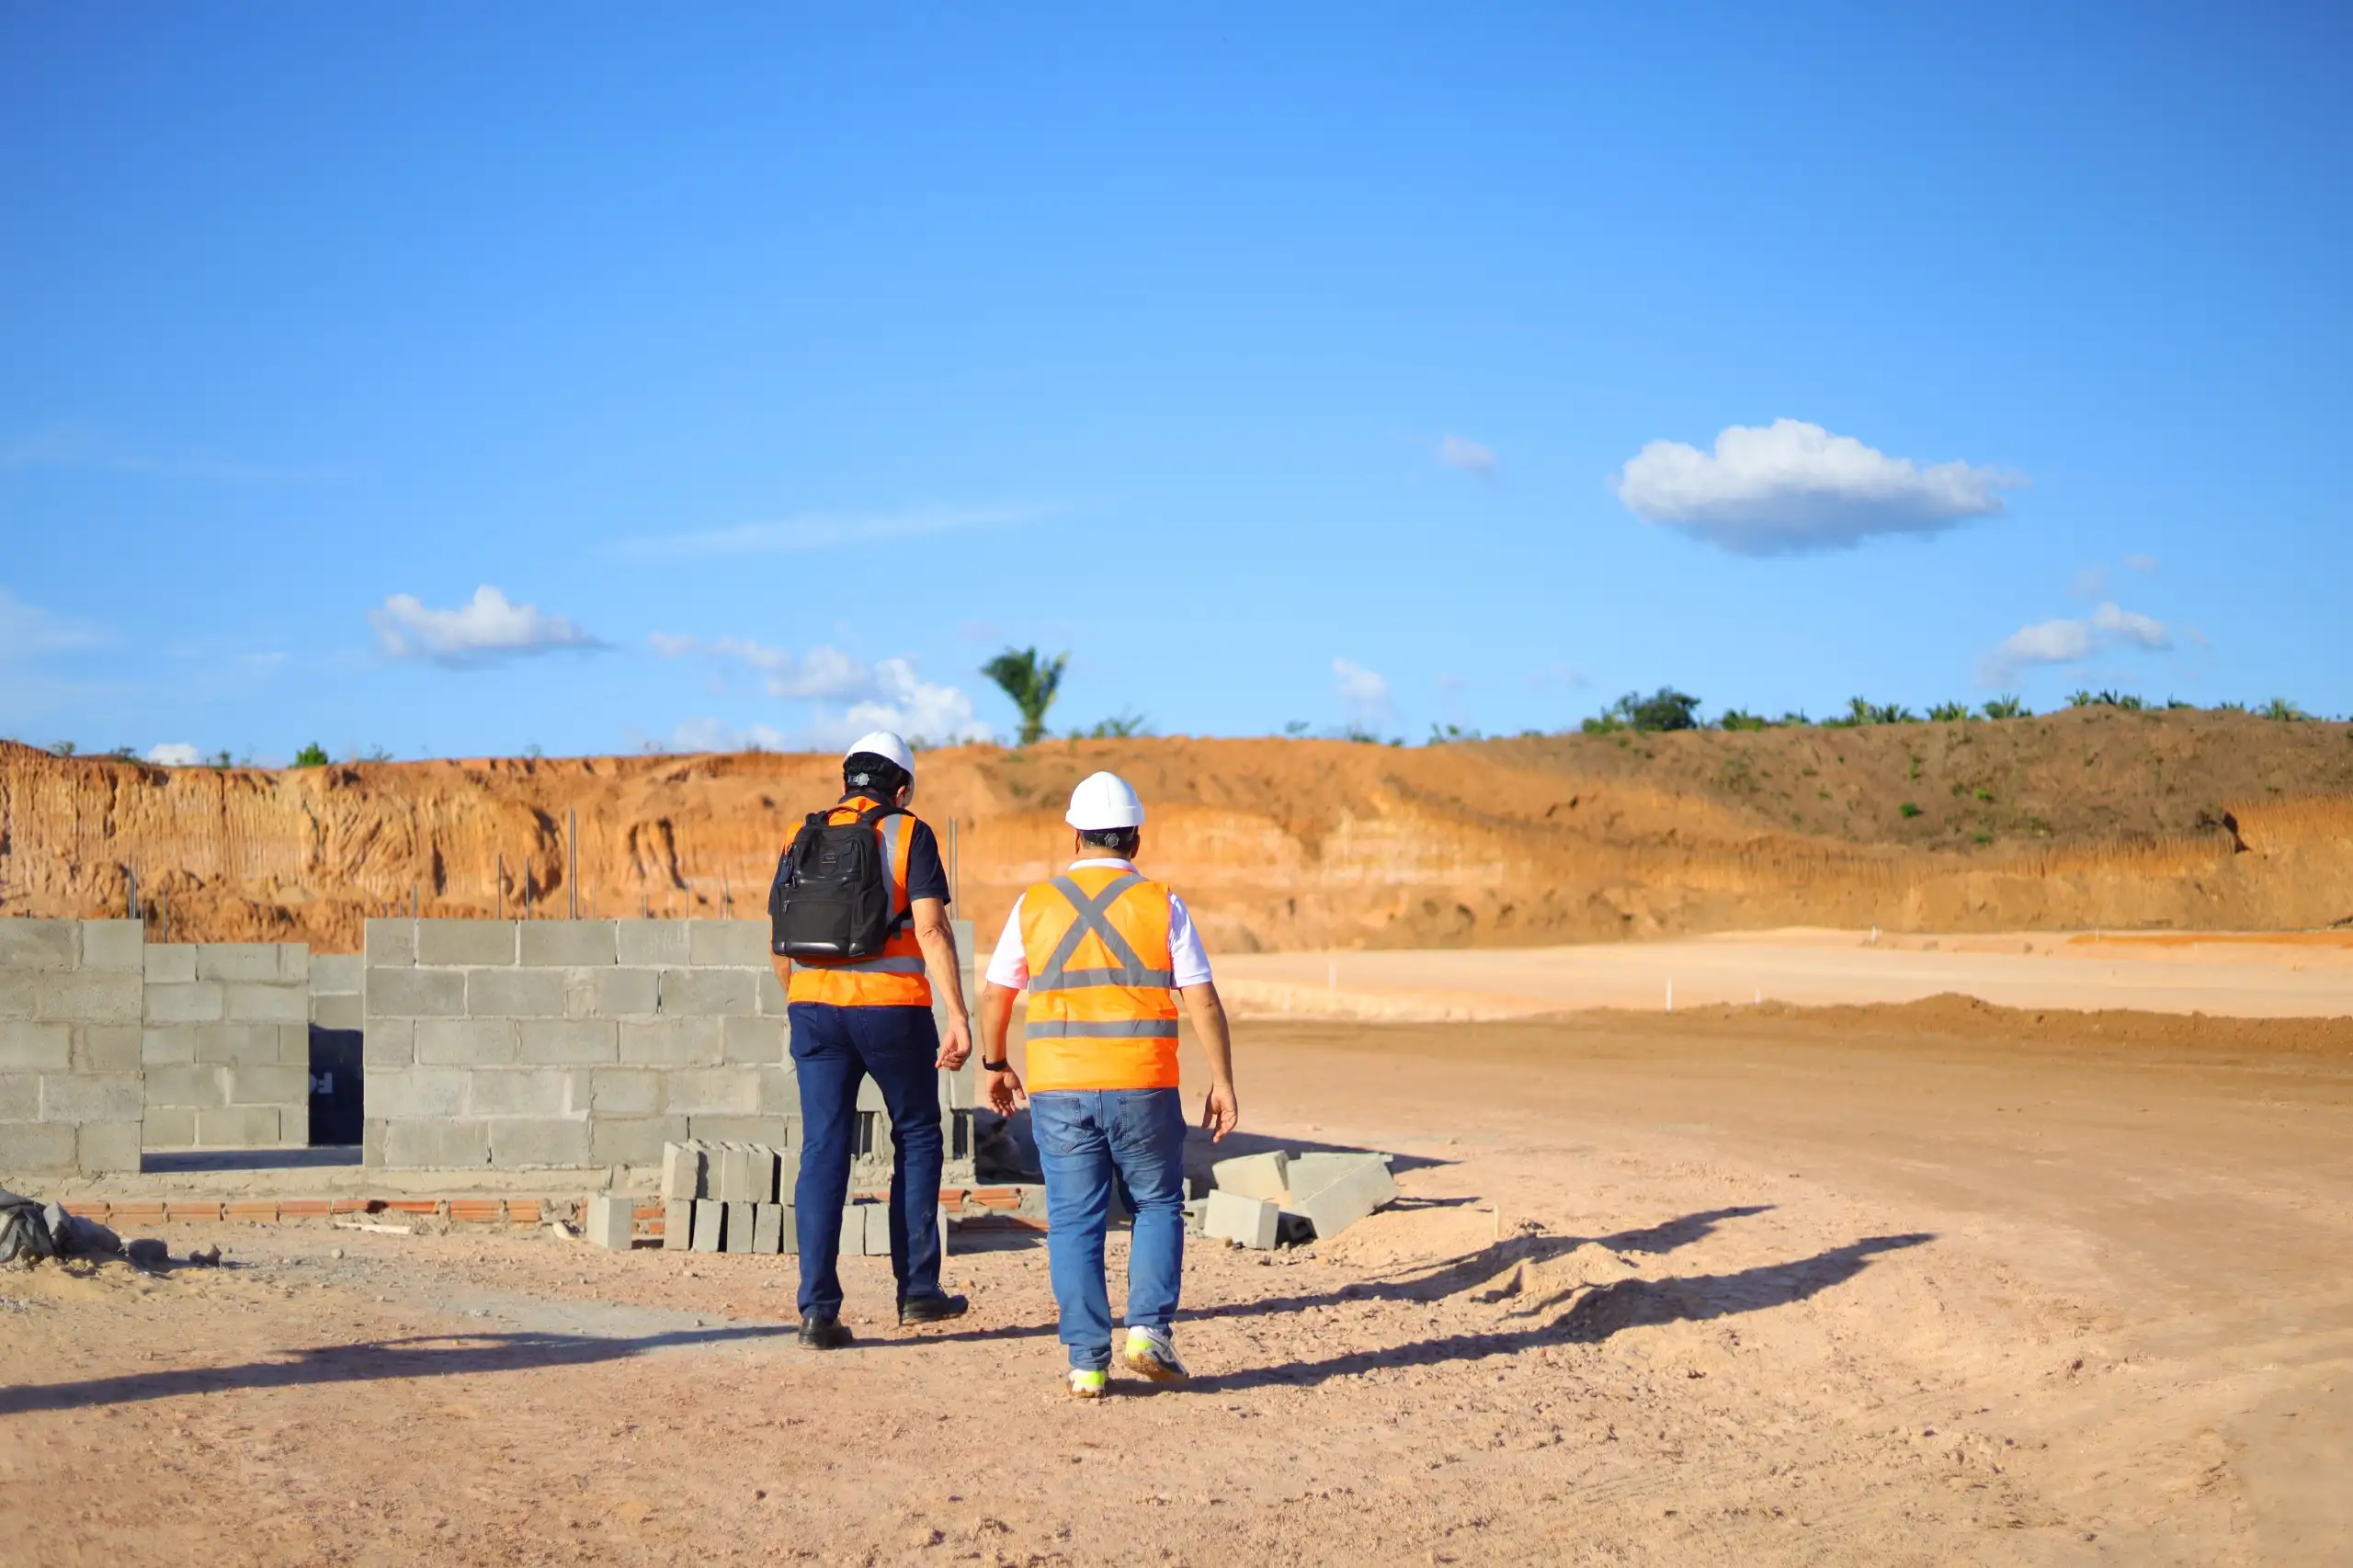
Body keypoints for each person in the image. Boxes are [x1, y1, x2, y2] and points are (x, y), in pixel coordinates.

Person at [976, 770, 1239, 1398]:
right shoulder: (1162, 903)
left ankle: (1087, 1363)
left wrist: (995, 1064)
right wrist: (1222, 1081)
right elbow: (1202, 999)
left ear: (1075, 837)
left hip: (1059, 1087)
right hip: (1143, 1082)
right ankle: (1147, 1331)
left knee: (1074, 1221)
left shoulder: (1034, 904)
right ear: (1136, 841)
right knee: (1156, 1204)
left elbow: (995, 995)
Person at [769, 731, 973, 1348]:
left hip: (813, 1008)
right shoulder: (909, 833)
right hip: (892, 1011)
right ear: (901, 787)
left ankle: (817, 1312)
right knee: (916, 1134)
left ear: (846, 780)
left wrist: (802, 996)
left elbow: (778, 932)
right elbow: (931, 929)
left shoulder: (802, 833)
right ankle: (918, 1291)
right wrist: (958, 1014)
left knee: (824, 1148)